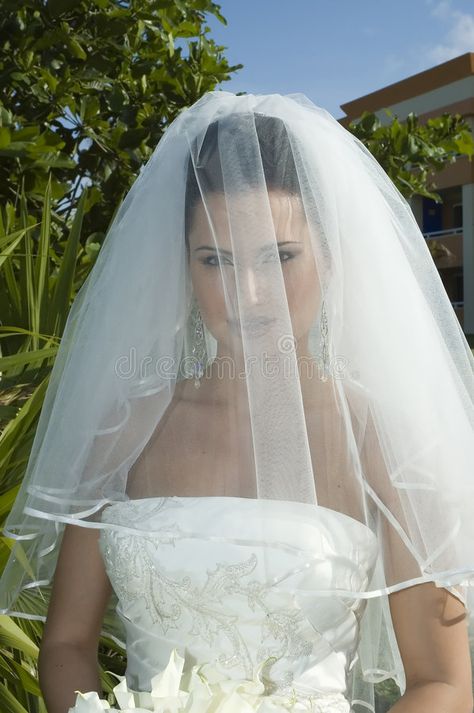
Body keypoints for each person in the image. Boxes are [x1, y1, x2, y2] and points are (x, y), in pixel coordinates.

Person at [1, 91, 474, 713]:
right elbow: (65, 643)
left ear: (330, 259)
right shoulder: (125, 429)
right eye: (214, 260)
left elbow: (445, 683)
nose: (250, 294)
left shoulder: (383, 440)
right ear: (184, 269)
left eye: (280, 257)